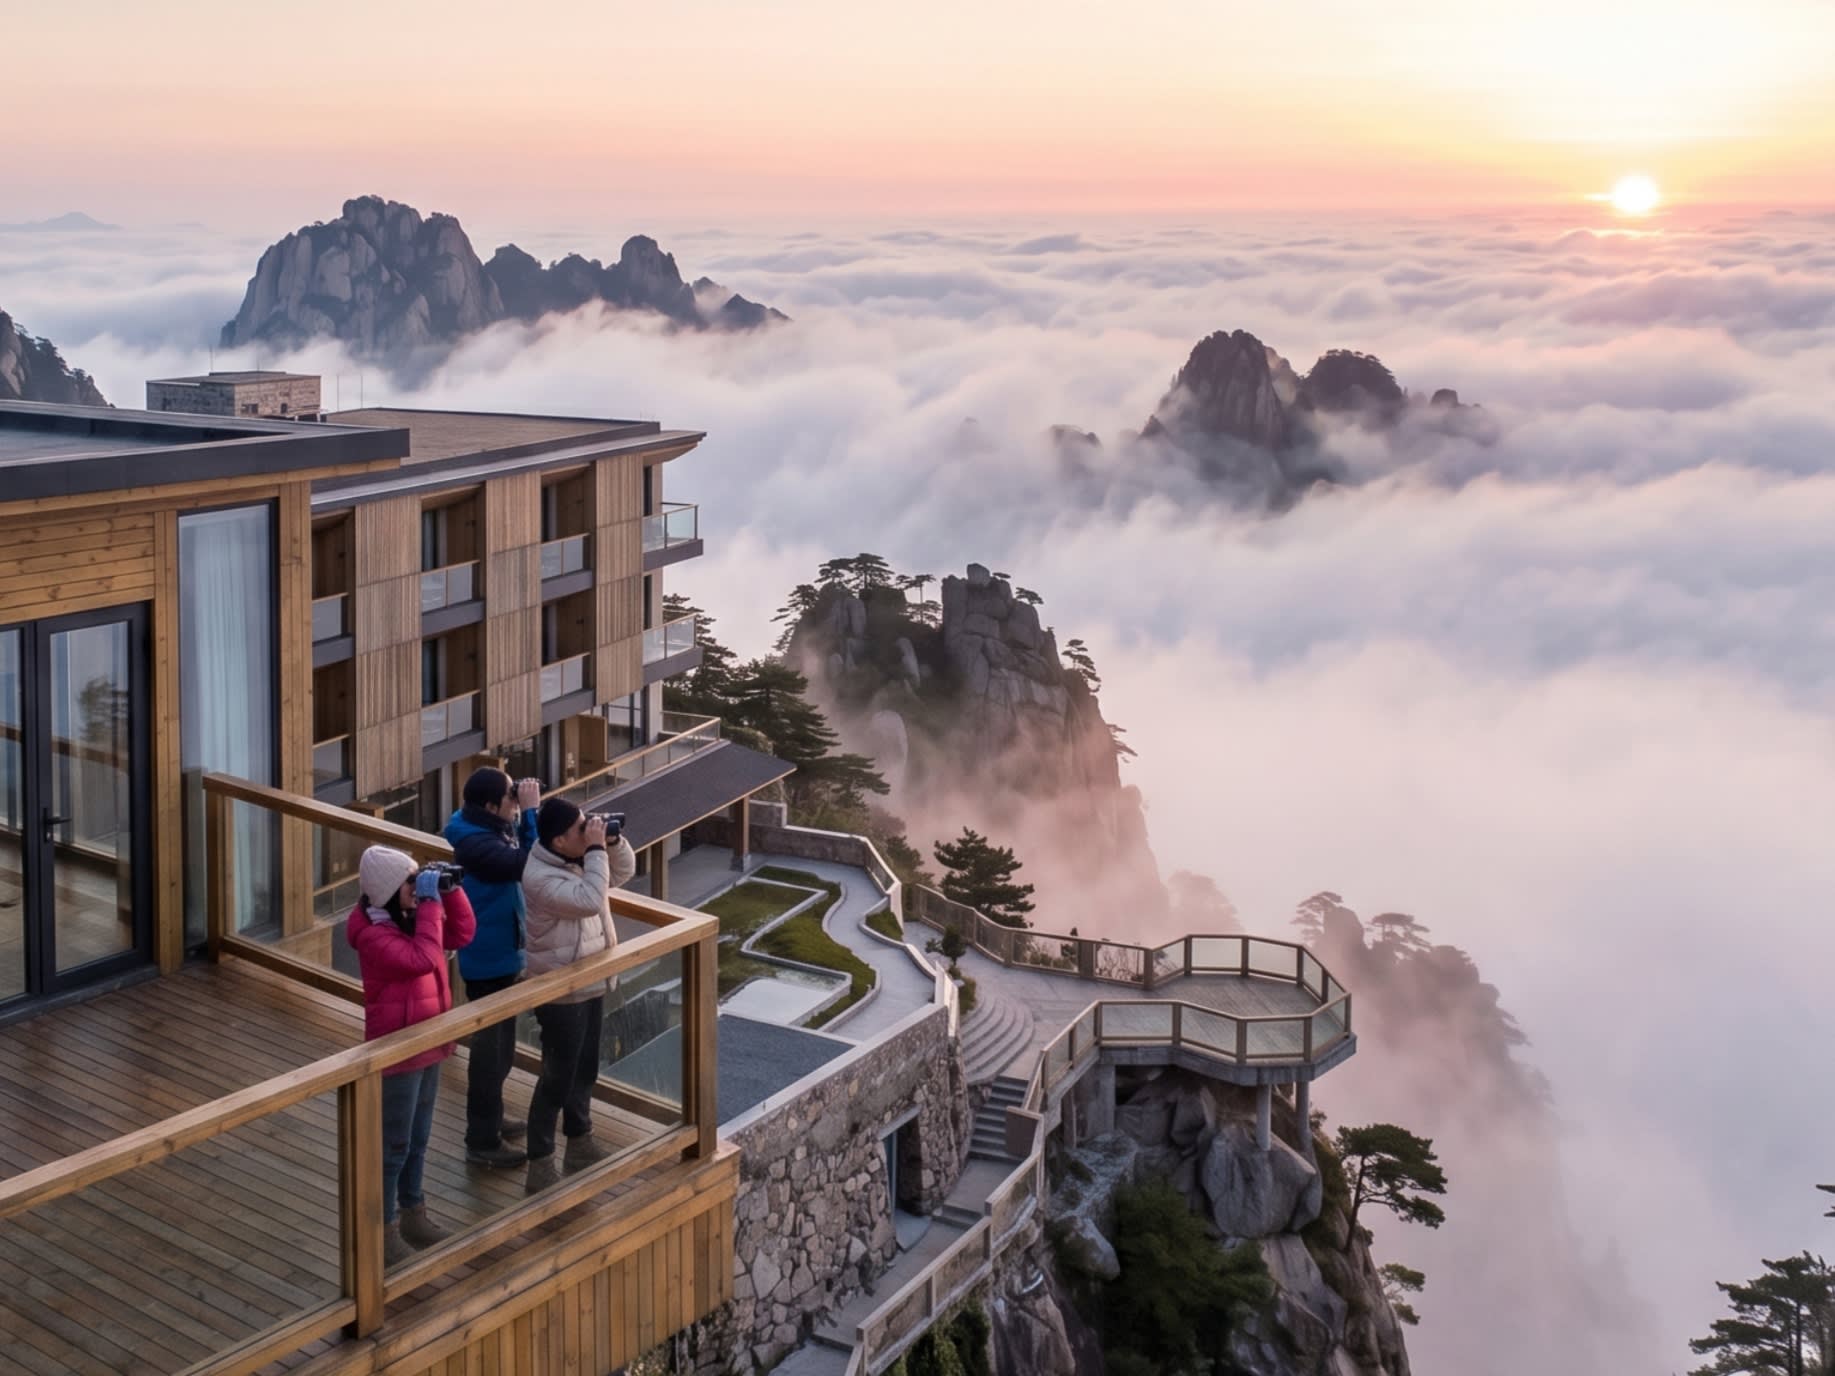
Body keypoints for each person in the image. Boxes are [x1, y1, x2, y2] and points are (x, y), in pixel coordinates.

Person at [346, 845, 477, 1266]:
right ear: (387, 891)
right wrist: (431, 904)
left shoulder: (411, 919)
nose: (417, 889)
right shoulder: (374, 935)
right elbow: (422, 959)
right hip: (398, 1050)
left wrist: (450, 891)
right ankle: (383, 1232)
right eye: (411, 882)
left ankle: (413, 1214)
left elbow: (463, 933)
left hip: (429, 1041)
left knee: (418, 1140)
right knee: (394, 1147)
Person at [520, 798, 637, 1195]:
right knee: (557, 1077)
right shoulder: (539, 876)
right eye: (580, 829)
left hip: (588, 978)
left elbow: (621, 873)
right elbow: (589, 900)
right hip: (559, 989)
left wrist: (612, 843)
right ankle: (539, 1163)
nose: (588, 832)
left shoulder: (576, 859)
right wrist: (597, 848)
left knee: (584, 1068)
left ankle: (580, 1142)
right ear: (558, 840)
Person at [443, 767, 543, 1168]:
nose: (514, 802)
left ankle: (493, 1120)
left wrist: (519, 813)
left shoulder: (483, 827)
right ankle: (482, 1141)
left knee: (501, 1051)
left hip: (499, 952)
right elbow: (530, 865)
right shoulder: (476, 844)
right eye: (509, 797)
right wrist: (531, 813)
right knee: (490, 1056)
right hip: (488, 959)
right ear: (489, 806)